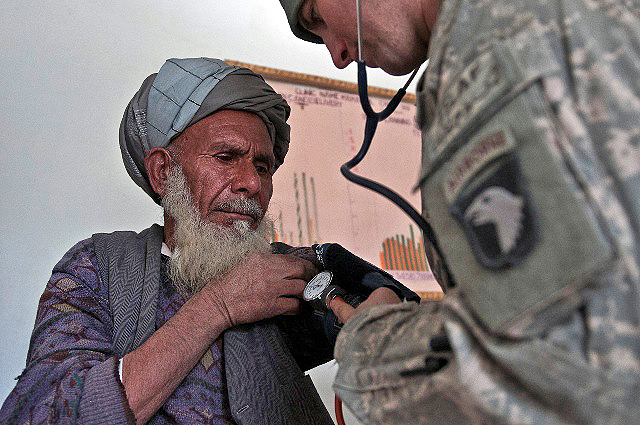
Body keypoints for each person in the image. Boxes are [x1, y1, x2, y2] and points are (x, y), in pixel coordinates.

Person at [277, 0, 640, 424]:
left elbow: (561, 366)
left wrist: (368, 342)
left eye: (318, 19)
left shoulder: (486, 51)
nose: (338, 55)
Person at [0, 57, 406, 425]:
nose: (251, 183)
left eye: (262, 166)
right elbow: (41, 414)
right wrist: (217, 306)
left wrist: (387, 307)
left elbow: (388, 307)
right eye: (226, 158)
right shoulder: (96, 268)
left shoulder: (278, 271)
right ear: (163, 172)